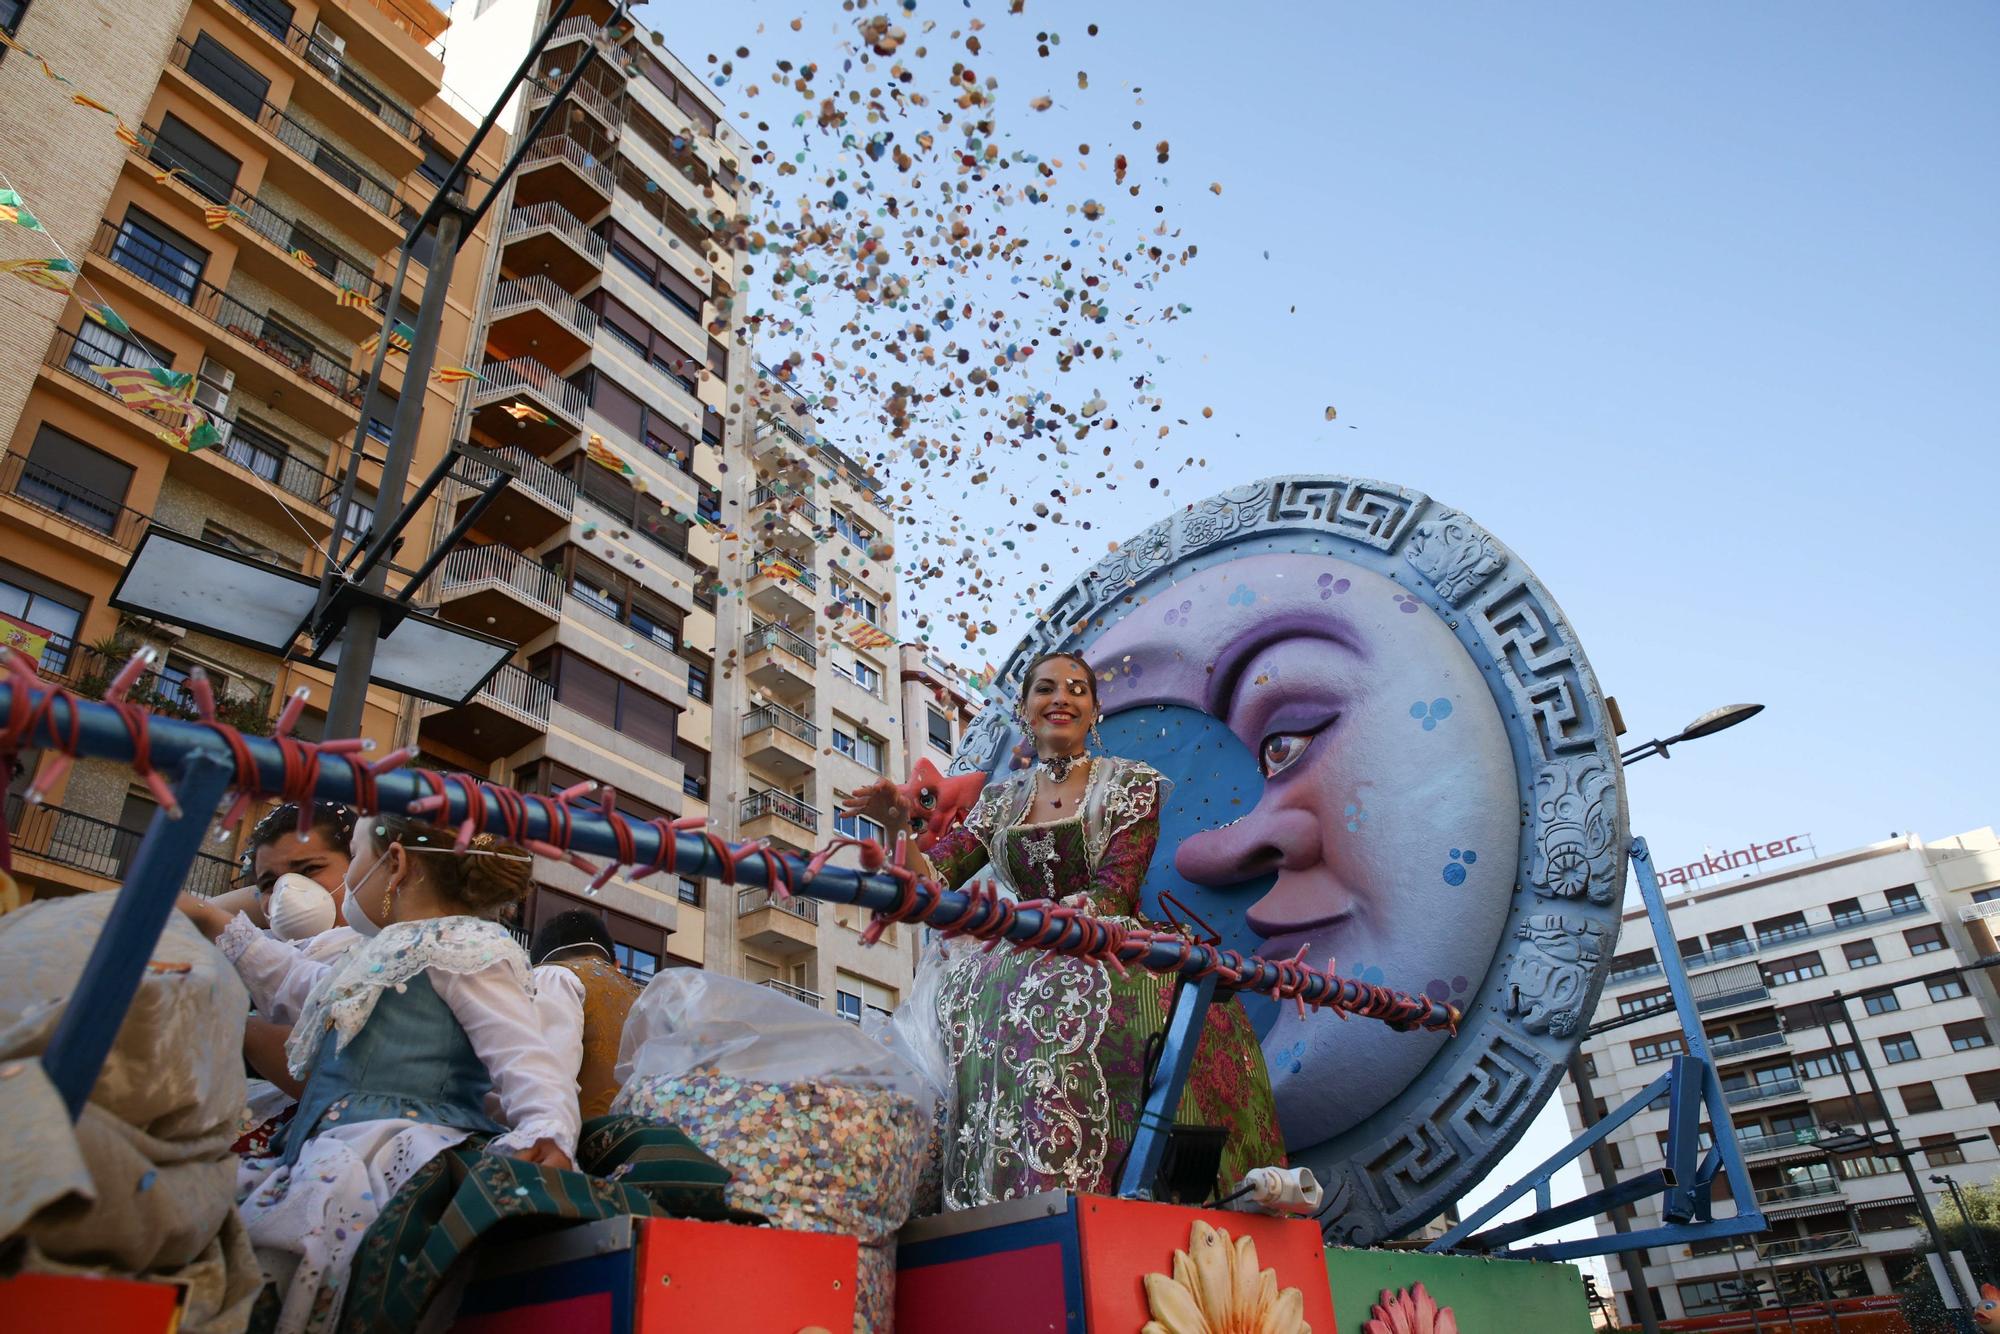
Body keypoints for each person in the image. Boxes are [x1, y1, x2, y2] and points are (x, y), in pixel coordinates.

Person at [841, 650, 1285, 1209]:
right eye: (1046, 688)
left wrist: (1036, 927)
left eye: (1077, 689)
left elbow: (1115, 890)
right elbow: (929, 884)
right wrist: (899, 825)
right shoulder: (1000, 802)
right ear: (1026, 709)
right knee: (979, 992)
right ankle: (1012, 1194)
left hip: (1106, 943)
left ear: (1095, 709)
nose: (1062, 698)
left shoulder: (1130, 785)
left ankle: (1126, 1183)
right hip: (1018, 949)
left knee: (1116, 991)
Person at [177, 813, 578, 1334]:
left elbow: (523, 1055)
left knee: (309, 1249)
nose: (346, 885)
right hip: (322, 1145)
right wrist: (214, 922)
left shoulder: (468, 948)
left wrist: (548, 1127)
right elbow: (298, 979)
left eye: (356, 860)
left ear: (396, 865)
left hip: (386, 1148)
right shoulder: (376, 953)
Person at [529, 908, 643, 1121]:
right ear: (616, 964)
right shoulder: (646, 1001)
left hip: (562, 1147)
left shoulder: (553, 976)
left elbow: (541, 1083)